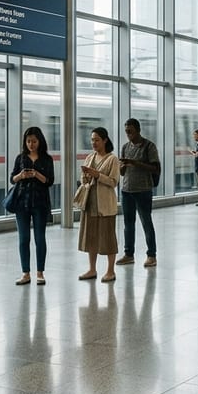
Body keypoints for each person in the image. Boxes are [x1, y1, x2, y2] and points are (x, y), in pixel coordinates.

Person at [10, 126, 55, 286]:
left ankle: (40, 273)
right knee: (23, 239)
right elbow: (12, 179)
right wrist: (20, 176)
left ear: (40, 141)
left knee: (39, 238)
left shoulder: (47, 159)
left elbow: (50, 181)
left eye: (34, 141)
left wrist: (37, 174)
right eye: (28, 141)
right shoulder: (20, 158)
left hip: (40, 203)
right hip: (22, 203)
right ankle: (25, 273)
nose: (31, 144)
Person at [116, 118, 161, 268]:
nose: (128, 134)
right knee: (128, 224)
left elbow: (155, 168)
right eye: (126, 132)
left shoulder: (149, 146)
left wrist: (135, 163)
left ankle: (151, 255)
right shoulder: (125, 147)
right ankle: (129, 254)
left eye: (131, 131)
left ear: (138, 130)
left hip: (143, 190)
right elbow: (122, 172)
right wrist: (123, 166)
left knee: (146, 222)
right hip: (126, 190)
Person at [79, 128, 120, 282]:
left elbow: (114, 182)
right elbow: (84, 181)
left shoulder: (112, 159)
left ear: (105, 140)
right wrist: (85, 177)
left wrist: (97, 175)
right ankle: (92, 269)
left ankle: (110, 271)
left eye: (97, 139)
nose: (93, 143)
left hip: (105, 205)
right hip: (90, 202)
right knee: (91, 237)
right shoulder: (90, 157)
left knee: (108, 237)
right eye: (92, 140)